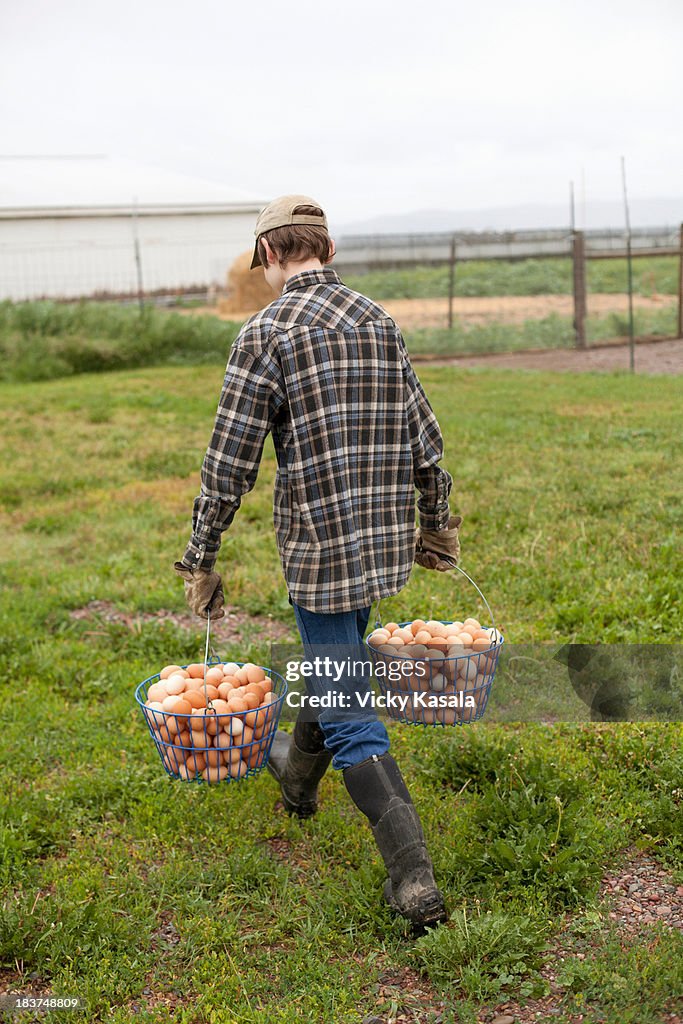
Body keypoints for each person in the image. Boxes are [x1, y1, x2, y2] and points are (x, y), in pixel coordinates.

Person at [174, 195, 462, 931]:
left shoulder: (265, 332)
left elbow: (227, 462)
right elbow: (424, 439)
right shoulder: (377, 320)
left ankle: (413, 878)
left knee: (346, 703)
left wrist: (200, 557)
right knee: (334, 662)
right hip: (381, 541)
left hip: (322, 549)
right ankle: (297, 779)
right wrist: (437, 525)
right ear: (324, 252)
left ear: (267, 254)